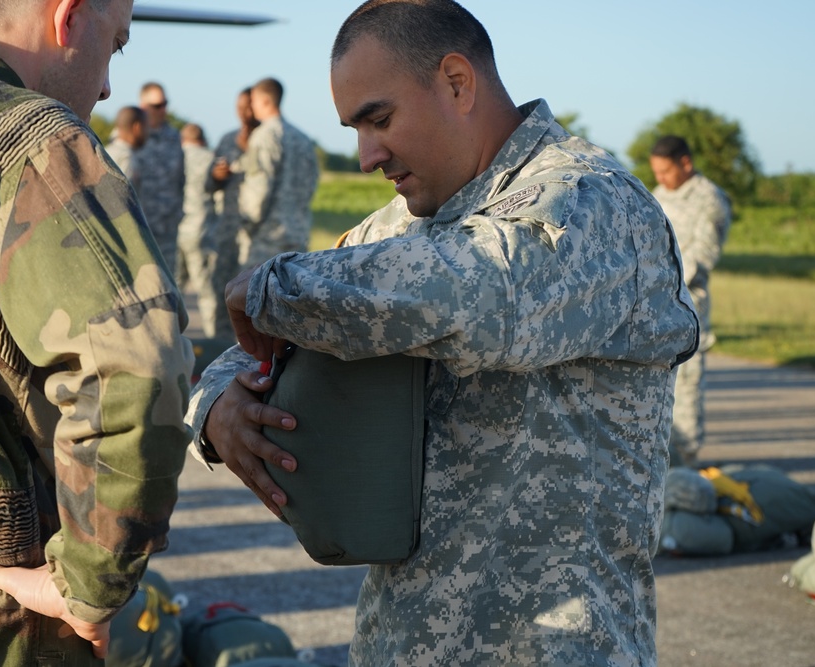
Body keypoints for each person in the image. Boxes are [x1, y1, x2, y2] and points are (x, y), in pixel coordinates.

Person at [187, 1, 699, 664]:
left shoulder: (595, 204)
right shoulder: (398, 229)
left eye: (379, 119)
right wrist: (217, 411)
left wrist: (272, 288)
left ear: (457, 82)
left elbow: (479, 292)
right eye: (356, 128)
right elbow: (248, 356)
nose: (368, 155)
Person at [0, 0, 194, 663]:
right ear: (69, 16)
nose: (107, 84)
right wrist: (91, 581)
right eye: (117, 43)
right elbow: (136, 368)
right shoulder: (28, 143)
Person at [649, 135, 732, 467]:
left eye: (666, 171)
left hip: (686, 304)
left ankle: (684, 459)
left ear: (686, 163)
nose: (661, 179)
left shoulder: (710, 200)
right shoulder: (657, 195)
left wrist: (661, 278)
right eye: (656, 172)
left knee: (686, 384)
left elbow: (703, 256)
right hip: (651, 301)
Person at [234, 77, 319, 269]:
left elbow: (258, 187)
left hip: (267, 238)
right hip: (298, 235)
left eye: (253, 101)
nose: (252, 106)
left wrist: (247, 224)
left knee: (257, 296)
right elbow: (311, 184)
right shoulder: (303, 139)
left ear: (264, 100)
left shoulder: (264, 136)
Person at [209, 87, 259, 340]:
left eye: (248, 107)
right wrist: (216, 177)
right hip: (228, 233)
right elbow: (208, 184)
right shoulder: (228, 139)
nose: (243, 113)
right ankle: (221, 357)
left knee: (254, 303)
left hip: (256, 236)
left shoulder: (267, 140)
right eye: (239, 108)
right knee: (223, 297)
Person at [136, 81, 185, 270]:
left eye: (165, 104)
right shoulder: (131, 135)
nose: (163, 109)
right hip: (141, 227)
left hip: (168, 227)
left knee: (168, 284)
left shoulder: (174, 137)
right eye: (157, 105)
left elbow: (181, 179)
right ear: (144, 107)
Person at [178, 122, 219, 336]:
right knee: (206, 292)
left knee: (174, 290)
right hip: (201, 231)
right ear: (202, 139)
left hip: (176, 231)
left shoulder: (174, 155)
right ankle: (212, 339)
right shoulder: (209, 157)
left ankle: (172, 340)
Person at [106, 104, 148, 190]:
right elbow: (123, 196)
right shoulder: (127, 157)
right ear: (137, 127)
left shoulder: (107, 150)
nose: (147, 133)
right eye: (146, 127)